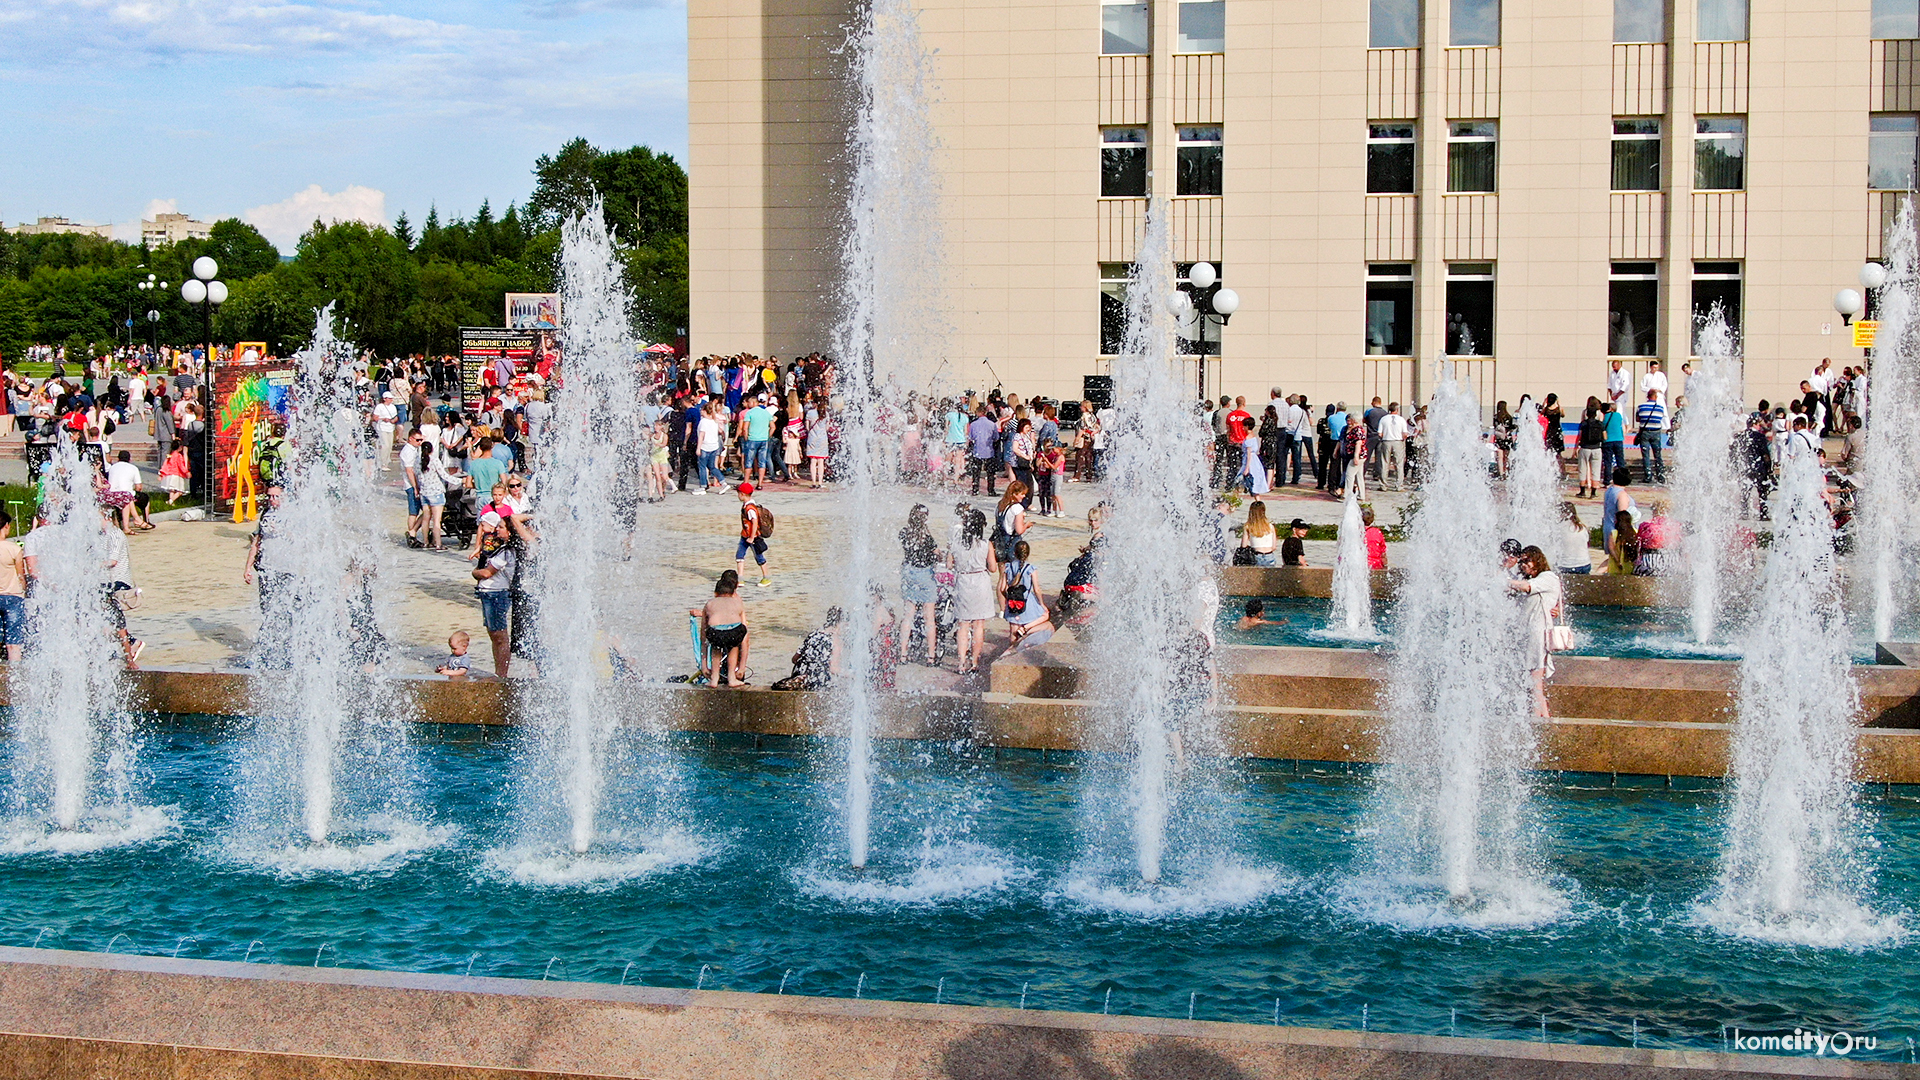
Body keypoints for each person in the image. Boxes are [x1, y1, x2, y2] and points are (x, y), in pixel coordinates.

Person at [1508, 546, 1562, 718]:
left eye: (1527, 561)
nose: (1523, 565)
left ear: (1538, 560)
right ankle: (1542, 719)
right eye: (1521, 561)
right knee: (1533, 682)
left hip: (1537, 635)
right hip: (1528, 634)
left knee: (1535, 682)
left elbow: (1526, 587)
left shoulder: (1547, 577)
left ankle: (1538, 722)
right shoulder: (1535, 579)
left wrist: (1502, 581)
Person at [950, 507, 999, 674]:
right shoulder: (986, 544)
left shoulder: (956, 543)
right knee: (979, 625)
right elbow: (993, 568)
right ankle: (974, 662)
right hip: (980, 583)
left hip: (963, 582)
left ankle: (961, 662)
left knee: (962, 625)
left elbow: (949, 565)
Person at [469, 510, 517, 677]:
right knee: (493, 633)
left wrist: (475, 573)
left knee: (499, 635)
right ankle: (499, 672)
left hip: (497, 593)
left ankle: (502, 674)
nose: (497, 529)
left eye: (502, 527)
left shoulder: (506, 551)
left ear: (510, 532)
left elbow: (487, 573)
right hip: (489, 593)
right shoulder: (497, 547)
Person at [899, 504, 941, 665]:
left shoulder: (904, 533)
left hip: (908, 572)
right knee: (929, 618)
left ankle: (903, 653)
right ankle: (931, 656)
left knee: (907, 616)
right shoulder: (927, 537)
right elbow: (936, 553)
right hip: (925, 575)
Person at [698, 569, 751, 687]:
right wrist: (742, 666)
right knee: (733, 645)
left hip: (715, 632)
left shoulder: (709, 603)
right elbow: (745, 632)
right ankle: (732, 678)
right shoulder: (738, 602)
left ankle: (714, 679)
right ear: (733, 592)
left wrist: (704, 665)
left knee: (716, 647)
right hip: (734, 632)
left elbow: (703, 633)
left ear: (715, 593)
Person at [772, 607, 841, 690]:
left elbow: (794, 659)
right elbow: (833, 669)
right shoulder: (835, 640)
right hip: (817, 681)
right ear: (840, 623)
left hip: (800, 675)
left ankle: (800, 679)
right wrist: (854, 674)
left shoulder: (813, 634)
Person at [1001, 538, 1048, 646]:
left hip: (1012, 601)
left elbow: (1002, 588)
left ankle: (1012, 649)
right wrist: (1041, 604)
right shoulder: (1031, 568)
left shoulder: (1008, 567)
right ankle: (1025, 628)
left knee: (1013, 628)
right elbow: (1037, 589)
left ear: (1014, 553)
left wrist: (1008, 598)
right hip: (1027, 600)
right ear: (1028, 554)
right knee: (1045, 615)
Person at [104, 449, 149, 533]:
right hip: (125, 495)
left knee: (128, 497)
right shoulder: (133, 468)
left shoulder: (112, 467)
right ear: (129, 459)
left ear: (118, 458)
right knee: (136, 497)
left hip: (111, 494)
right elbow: (138, 487)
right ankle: (143, 519)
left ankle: (135, 521)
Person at [735, 482, 772, 586]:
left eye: (739, 493)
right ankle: (740, 578)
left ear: (742, 494)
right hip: (745, 535)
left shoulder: (750, 508)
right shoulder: (746, 506)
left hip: (753, 537)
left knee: (759, 557)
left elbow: (754, 522)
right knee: (739, 555)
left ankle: (766, 577)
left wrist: (752, 537)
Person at [0, 510, 24, 662]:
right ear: (6, 526)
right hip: (13, 598)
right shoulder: (14, 549)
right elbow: (20, 576)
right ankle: (15, 678)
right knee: (13, 644)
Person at [1634, 497, 1676, 576]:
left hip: (1650, 562)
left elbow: (1639, 545)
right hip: (1671, 562)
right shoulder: (1675, 525)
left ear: (1654, 510)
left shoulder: (1646, 525)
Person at [1635, 389, 1666, 484]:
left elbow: (1637, 419)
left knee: (1646, 454)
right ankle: (1660, 475)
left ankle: (1648, 475)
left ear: (1647, 397)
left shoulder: (1641, 406)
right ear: (1655, 397)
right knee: (1657, 454)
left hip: (1645, 431)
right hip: (1656, 432)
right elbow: (1660, 418)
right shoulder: (1660, 407)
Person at [1601, 466, 1635, 553]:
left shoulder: (1610, 490)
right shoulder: (1621, 494)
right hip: (1617, 530)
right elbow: (1622, 515)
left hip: (1608, 525)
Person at [994, 481, 1030, 563]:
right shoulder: (1017, 508)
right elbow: (1019, 530)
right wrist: (1026, 525)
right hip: (1012, 542)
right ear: (1014, 494)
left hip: (1000, 541)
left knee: (1002, 571)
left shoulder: (999, 504)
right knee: (1013, 569)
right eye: (1022, 494)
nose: (1024, 496)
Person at [1376, 402, 1410, 490]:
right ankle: (1399, 485)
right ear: (1397, 409)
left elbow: (1379, 433)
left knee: (1384, 463)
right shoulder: (1401, 419)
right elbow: (1405, 433)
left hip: (1386, 441)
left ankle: (1383, 485)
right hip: (1398, 441)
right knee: (1399, 463)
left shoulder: (1383, 419)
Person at [1575, 405, 1606, 499]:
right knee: (1596, 471)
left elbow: (1579, 436)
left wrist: (1576, 447)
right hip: (1596, 448)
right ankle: (1593, 492)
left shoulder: (1583, 424)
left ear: (1586, 414)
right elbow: (1605, 437)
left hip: (1584, 448)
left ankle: (1582, 491)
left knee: (1582, 469)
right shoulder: (1600, 424)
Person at [1557, 502, 1592, 574]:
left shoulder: (1558, 528)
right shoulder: (1582, 527)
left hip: (1566, 566)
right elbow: (1587, 544)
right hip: (1584, 564)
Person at [1242, 500, 1278, 566]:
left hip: (1256, 555)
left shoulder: (1248, 526)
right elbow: (1274, 547)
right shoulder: (1270, 526)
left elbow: (1243, 545)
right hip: (1269, 555)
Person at [1606, 510, 1639, 575]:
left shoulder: (1614, 533)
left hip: (1615, 565)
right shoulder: (1635, 532)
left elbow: (1611, 548)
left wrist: (1618, 561)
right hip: (1630, 564)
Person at [372, 392, 399, 471]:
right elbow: (375, 417)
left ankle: (387, 461)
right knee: (385, 445)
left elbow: (396, 417)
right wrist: (383, 419)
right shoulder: (379, 407)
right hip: (382, 427)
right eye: (389, 398)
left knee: (390, 446)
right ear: (385, 399)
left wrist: (393, 420)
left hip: (390, 427)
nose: (391, 400)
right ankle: (382, 463)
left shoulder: (393, 407)